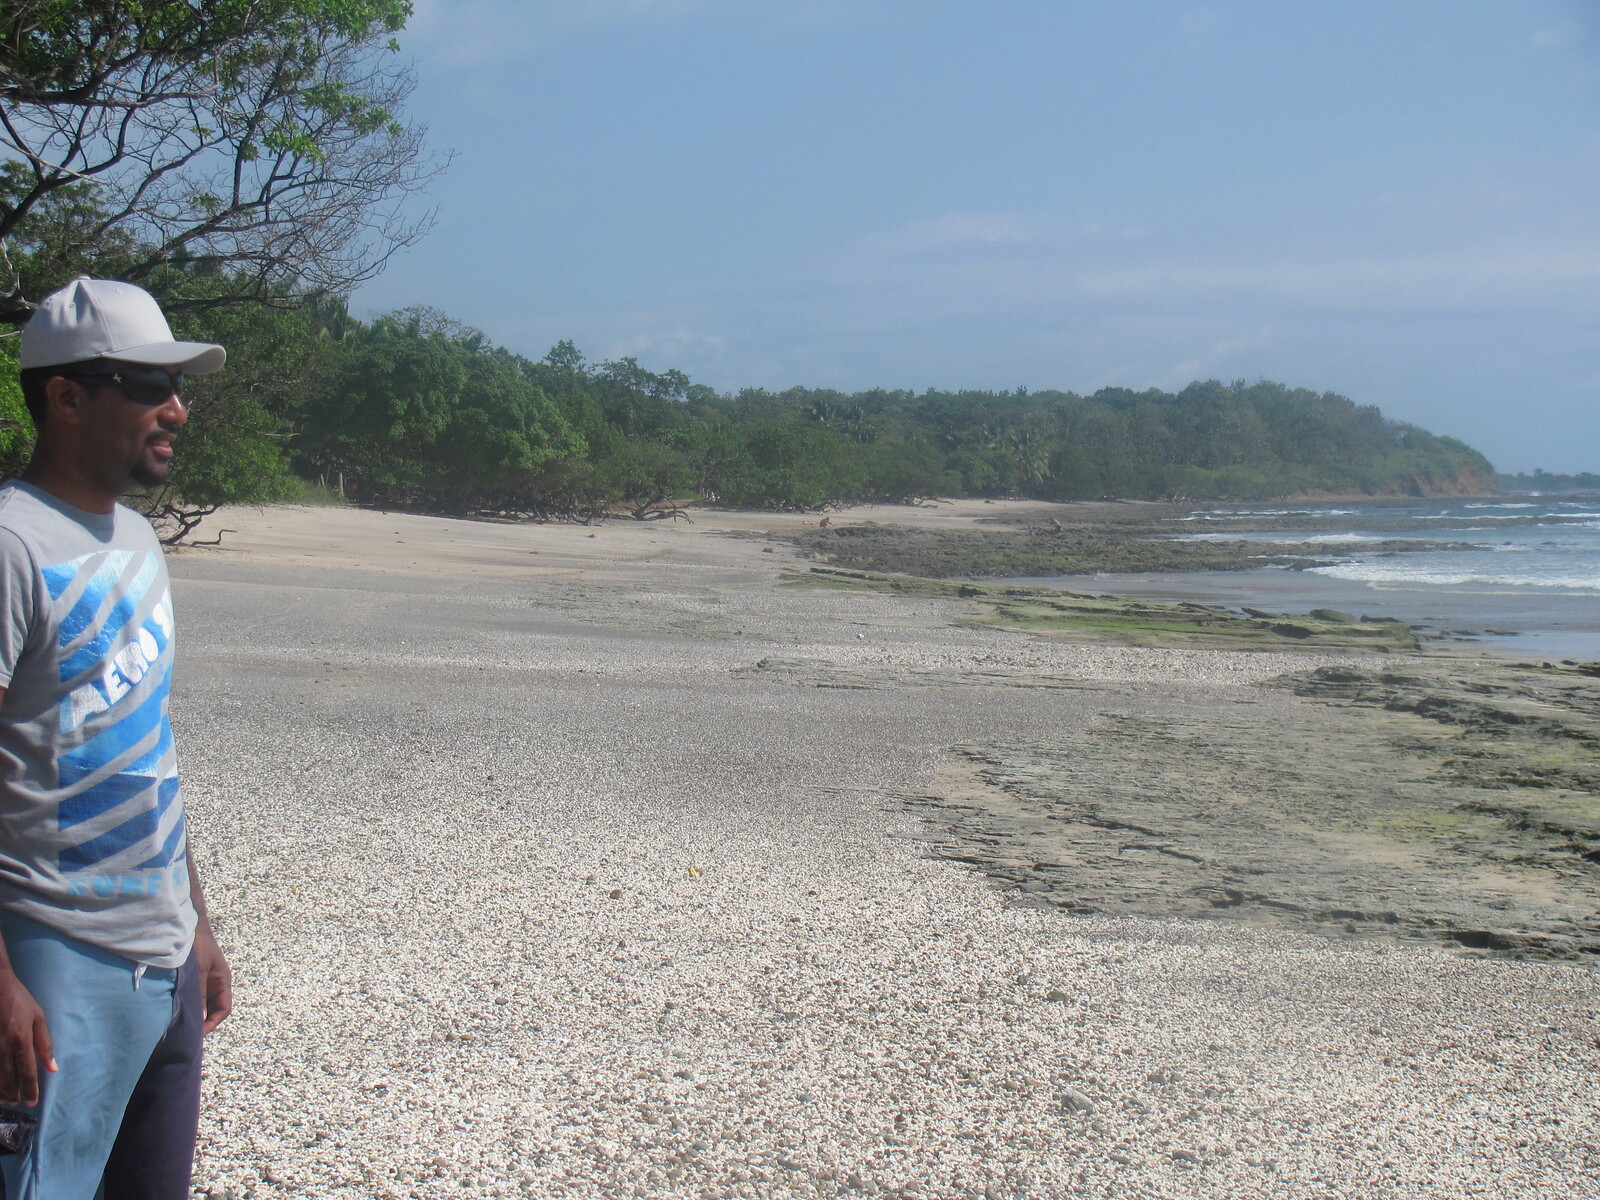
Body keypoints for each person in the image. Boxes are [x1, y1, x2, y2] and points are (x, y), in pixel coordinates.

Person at [0, 277, 232, 1198]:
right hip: (55, 961)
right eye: (147, 384)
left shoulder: (134, 536)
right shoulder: (13, 544)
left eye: (177, 386)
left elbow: (146, 746)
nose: (176, 408)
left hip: (162, 958)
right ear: (66, 397)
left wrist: (199, 925)